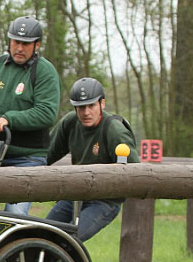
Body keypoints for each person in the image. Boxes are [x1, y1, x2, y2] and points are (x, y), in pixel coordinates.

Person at [0, 16, 61, 215]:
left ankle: (17, 245)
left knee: (14, 216)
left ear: (37, 45)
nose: (19, 48)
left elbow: (47, 113)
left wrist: (8, 119)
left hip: (28, 157)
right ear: (9, 41)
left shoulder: (44, 72)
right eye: (16, 42)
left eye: (26, 44)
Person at [45, 77, 140, 241]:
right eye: (80, 107)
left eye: (91, 105)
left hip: (103, 201)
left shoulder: (114, 130)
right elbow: (45, 155)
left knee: (68, 241)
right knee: (40, 234)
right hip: (74, 194)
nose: (86, 112)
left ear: (102, 104)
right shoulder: (70, 123)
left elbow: (136, 173)